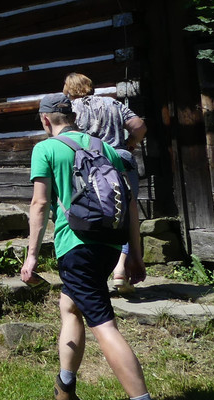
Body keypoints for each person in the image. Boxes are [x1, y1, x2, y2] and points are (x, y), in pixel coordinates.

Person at [20, 93, 151, 400]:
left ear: (45, 120)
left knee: (104, 325)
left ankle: (141, 398)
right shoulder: (106, 147)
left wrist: (31, 257)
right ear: (74, 117)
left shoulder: (46, 149)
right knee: (69, 304)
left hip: (76, 246)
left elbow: (39, 204)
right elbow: (130, 205)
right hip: (109, 244)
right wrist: (135, 255)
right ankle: (65, 388)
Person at [63, 72, 147, 293]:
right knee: (125, 215)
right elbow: (139, 126)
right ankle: (120, 268)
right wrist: (129, 144)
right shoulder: (112, 103)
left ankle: (92, 270)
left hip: (87, 167)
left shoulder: (71, 109)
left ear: (68, 90)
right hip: (120, 160)